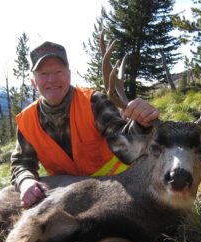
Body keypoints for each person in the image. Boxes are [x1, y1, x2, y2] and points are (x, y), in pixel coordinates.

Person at [11, 41, 159, 209]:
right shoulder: (27, 121)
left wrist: (141, 124)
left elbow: (127, 147)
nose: (52, 79)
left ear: (69, 74)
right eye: (44, 74)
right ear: (33, 82)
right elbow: (22, 162)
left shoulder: (94, 102)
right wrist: (26, 182)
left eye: (58, 71)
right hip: (70, 197)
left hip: (117, 187)